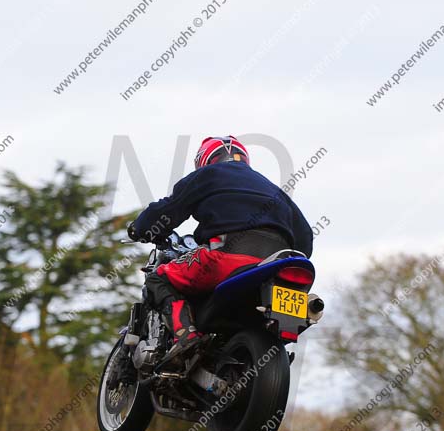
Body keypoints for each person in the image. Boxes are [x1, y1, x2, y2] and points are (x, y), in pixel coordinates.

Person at [128, 135, 313, 359]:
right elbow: (304, 237)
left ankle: (185, 335)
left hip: (226, 257)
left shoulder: (207, 175)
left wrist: (140, 228)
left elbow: (168, 210)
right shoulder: (275, 190)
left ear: (205, 160)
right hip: (278, 266)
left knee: (158, 277)